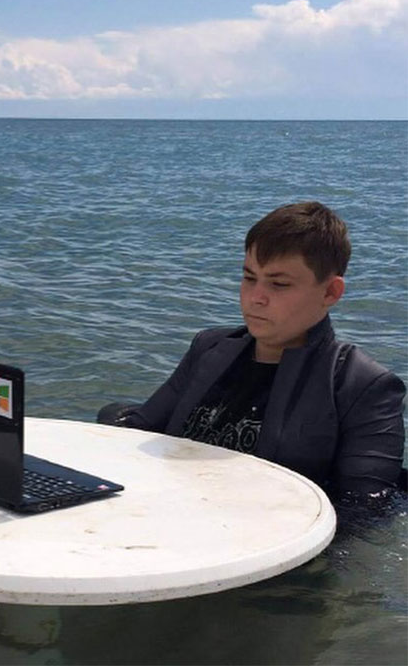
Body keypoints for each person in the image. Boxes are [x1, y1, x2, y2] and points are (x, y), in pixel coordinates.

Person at [97, 201, 406, 504]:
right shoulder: (210, 348)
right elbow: (140, 430)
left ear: (330, 292)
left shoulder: (362, 386)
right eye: (249, 278)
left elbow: (364, 512)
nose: (256, 297)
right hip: (173, 514)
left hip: (272, 542)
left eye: (279, 284)